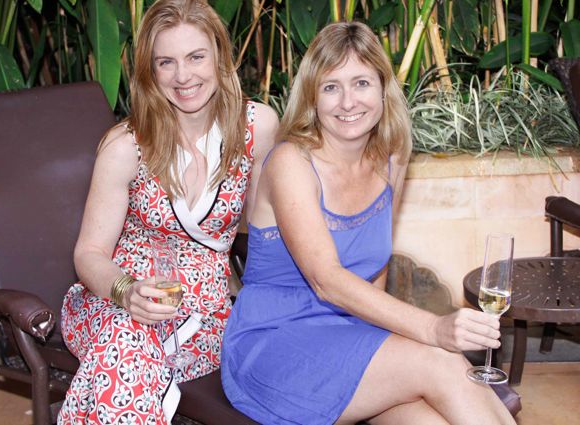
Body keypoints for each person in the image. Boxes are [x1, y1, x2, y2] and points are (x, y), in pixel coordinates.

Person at [221, 21, 516, 425]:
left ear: (382, 89)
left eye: (361, 83)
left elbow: (373, 270)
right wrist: (433, 329)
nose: (348, 102)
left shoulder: (391, 157)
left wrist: (384, 342)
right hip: (274, 345)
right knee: (441, 360)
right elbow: (327, 280)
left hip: (349, 336)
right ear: (312, 96)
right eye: (331, 87)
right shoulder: (292, 162)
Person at [57, 0, 278, 424]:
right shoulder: (125, 147)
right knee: (125, 340)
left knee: (122, 360)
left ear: (220, 56)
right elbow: (89, 253)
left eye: (196, 57)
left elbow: (267, 231)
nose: (183, 76)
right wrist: (127, 292)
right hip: (112, 300)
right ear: (149, 71)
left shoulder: (257, 128)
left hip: (206, 317)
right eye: (166, 62)